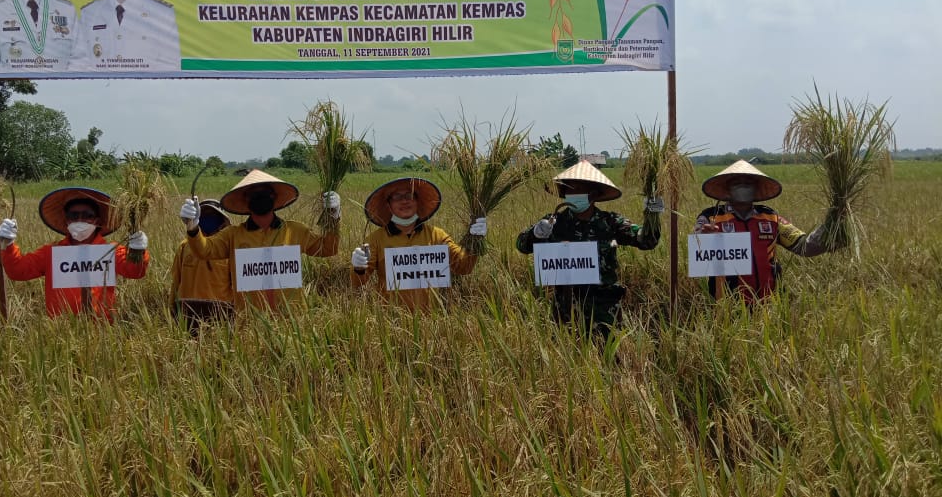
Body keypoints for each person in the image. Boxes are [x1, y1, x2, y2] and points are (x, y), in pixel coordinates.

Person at [517, 160, 662, 337]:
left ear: (593, 194)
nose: (572, 194)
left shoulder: (611, 222)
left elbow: (647, 241)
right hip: (566, 309)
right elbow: (522, 245)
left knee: (608, 352)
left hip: (604, 309)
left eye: (578, 189)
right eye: (568, 190)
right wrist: (535, 233)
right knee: (568, 352)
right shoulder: (554, 223)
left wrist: (653, 215)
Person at [179, 170, 341, 312]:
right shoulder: (233, 235)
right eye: (254, 194)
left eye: (264, 193)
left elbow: (328, 249)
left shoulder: (295, 231)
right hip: (250, 324)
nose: (259, 197)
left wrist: (333, 217)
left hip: (292, 322)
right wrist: (193, 228)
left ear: (274, 197)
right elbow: (204, 250)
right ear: (246, 201)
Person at [0, 187, 150, 319]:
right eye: (74, 216)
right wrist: (8, 245)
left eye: (87, 215)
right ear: (66, 221)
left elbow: (135, 272)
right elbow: (18, 271)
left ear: (97, 221)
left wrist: (138, 251)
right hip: (60, 332)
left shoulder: (111, 251)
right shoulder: (51, 253)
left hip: (102, 331)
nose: (80, 220)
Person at [694, 160, 831, 302]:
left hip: (771, 305)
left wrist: (831, 230)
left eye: (748, 182)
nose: (743, 185)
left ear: (756, 188)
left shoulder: (770, 217)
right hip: (728, 306)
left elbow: (803, 246)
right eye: (737, 182)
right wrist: (705, 239)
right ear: (727, 189)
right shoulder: (712, 217)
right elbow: (697, 245)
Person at [350, 177, 487, 311]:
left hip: (431, 319)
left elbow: (464, 267)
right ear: (388, 205)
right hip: (392, 318)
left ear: (417, 201)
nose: (404, 201)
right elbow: (359, 282)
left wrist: (475, 240)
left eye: (409, 195)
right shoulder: (376, 240)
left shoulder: (436, 236)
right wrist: (358, 268)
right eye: (397, 197)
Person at [169, 198, 235, 333]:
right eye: (204, 215)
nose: (209, 219)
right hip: (188, 311)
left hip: (220, 312)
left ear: (222, 220)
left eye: (213, 215)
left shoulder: (228, 248)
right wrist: (172, 307)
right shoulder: (185, 246)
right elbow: (176, 280)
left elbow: (236, 286)